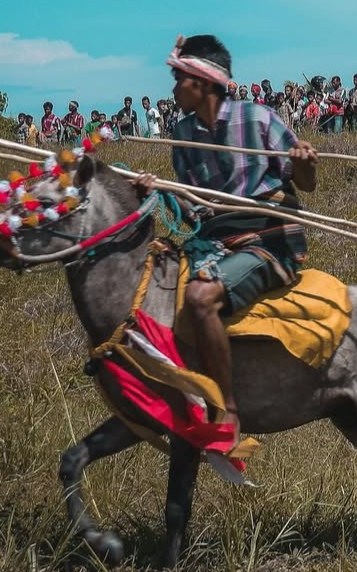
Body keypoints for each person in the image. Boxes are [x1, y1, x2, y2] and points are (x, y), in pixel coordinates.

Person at [136, 34, 318, 443]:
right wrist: (156, 194)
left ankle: (227, 408)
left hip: (267, 240)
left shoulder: (257, 118)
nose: (173, 88)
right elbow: (189, 210)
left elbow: (304, 183)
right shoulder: (182, 135)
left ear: (201, 82)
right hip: (213, 243)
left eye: (178, 78)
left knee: (200, 297)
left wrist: (305, 163)